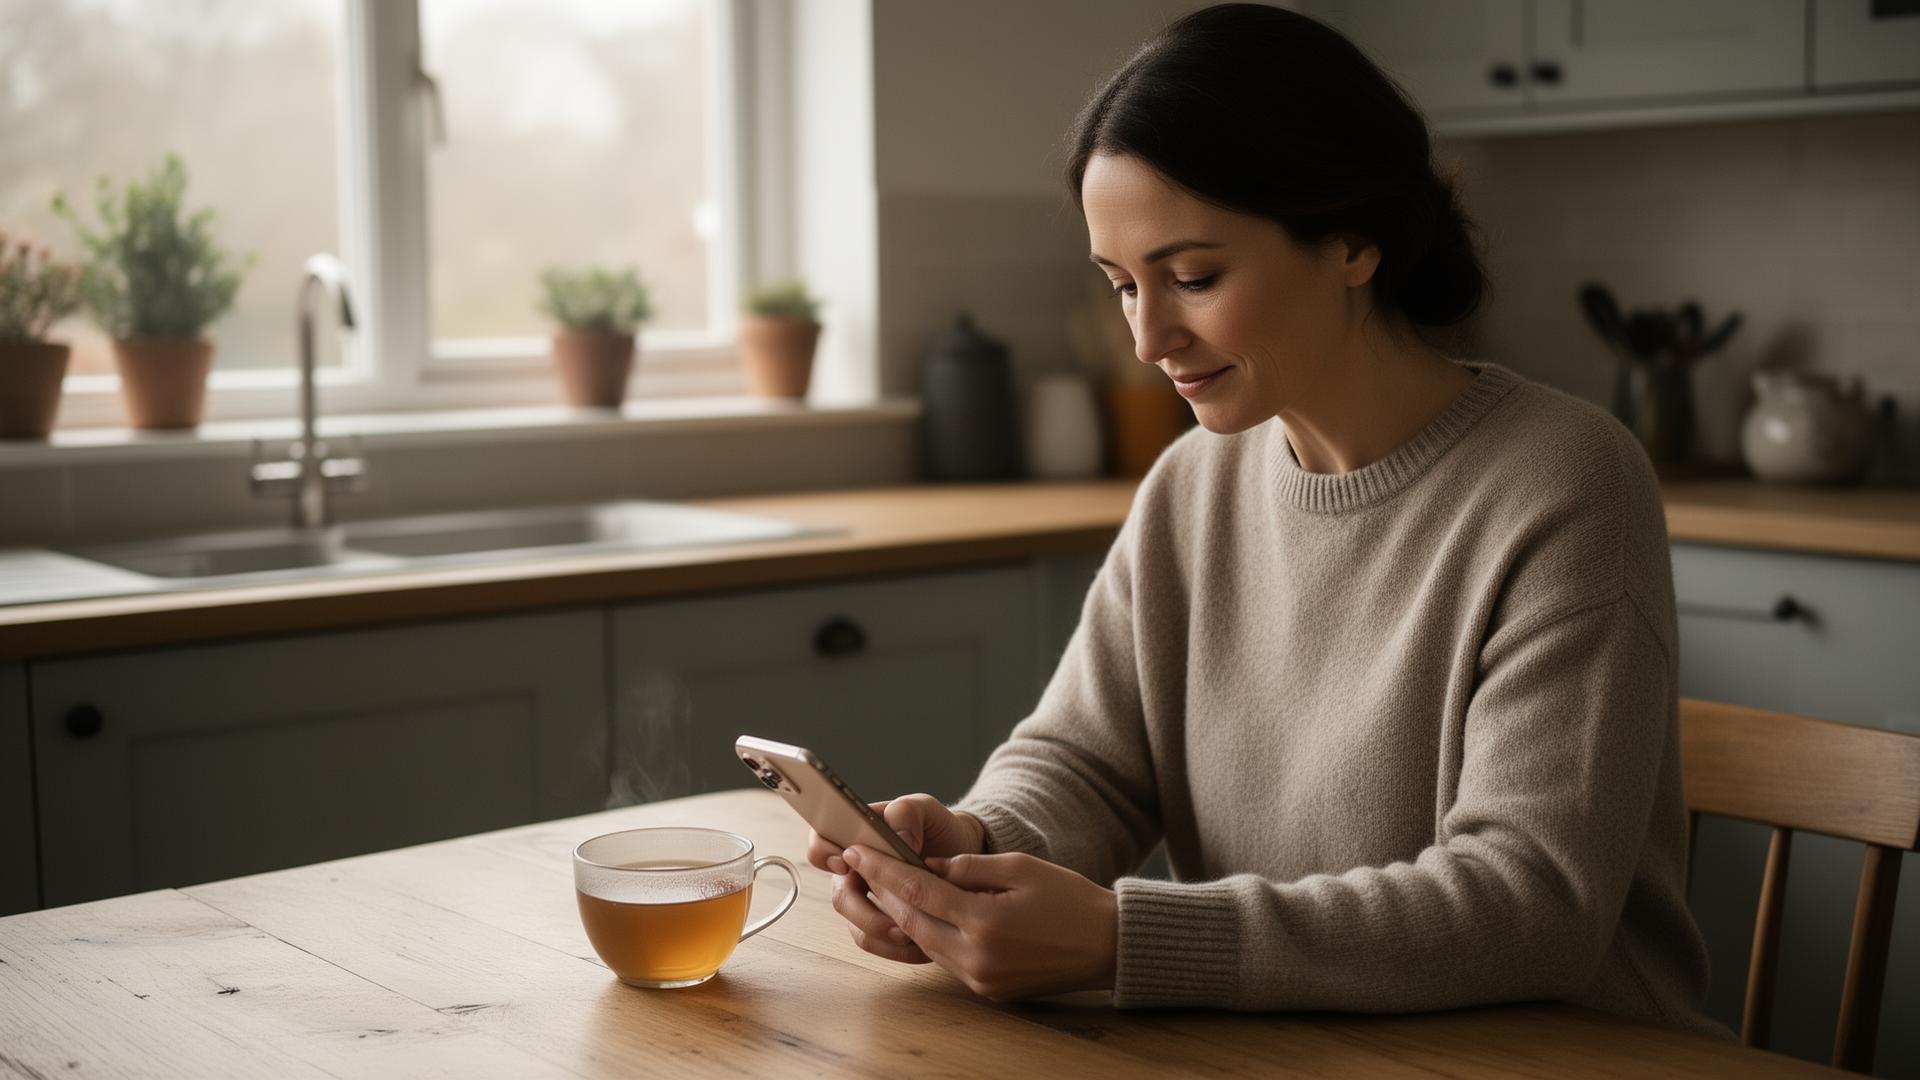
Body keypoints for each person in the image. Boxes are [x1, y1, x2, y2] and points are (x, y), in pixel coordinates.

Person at [808, 3, 1719, 1036]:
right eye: (1120, 286)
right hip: (1280, 1050)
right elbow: (1088, 764)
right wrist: (967, 854)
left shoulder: (1566, 479)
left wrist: (1122, 939)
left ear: (1352, 242)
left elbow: (1530, 902)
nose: (1149, 336)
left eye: (1192, 276)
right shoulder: (1192, 485)